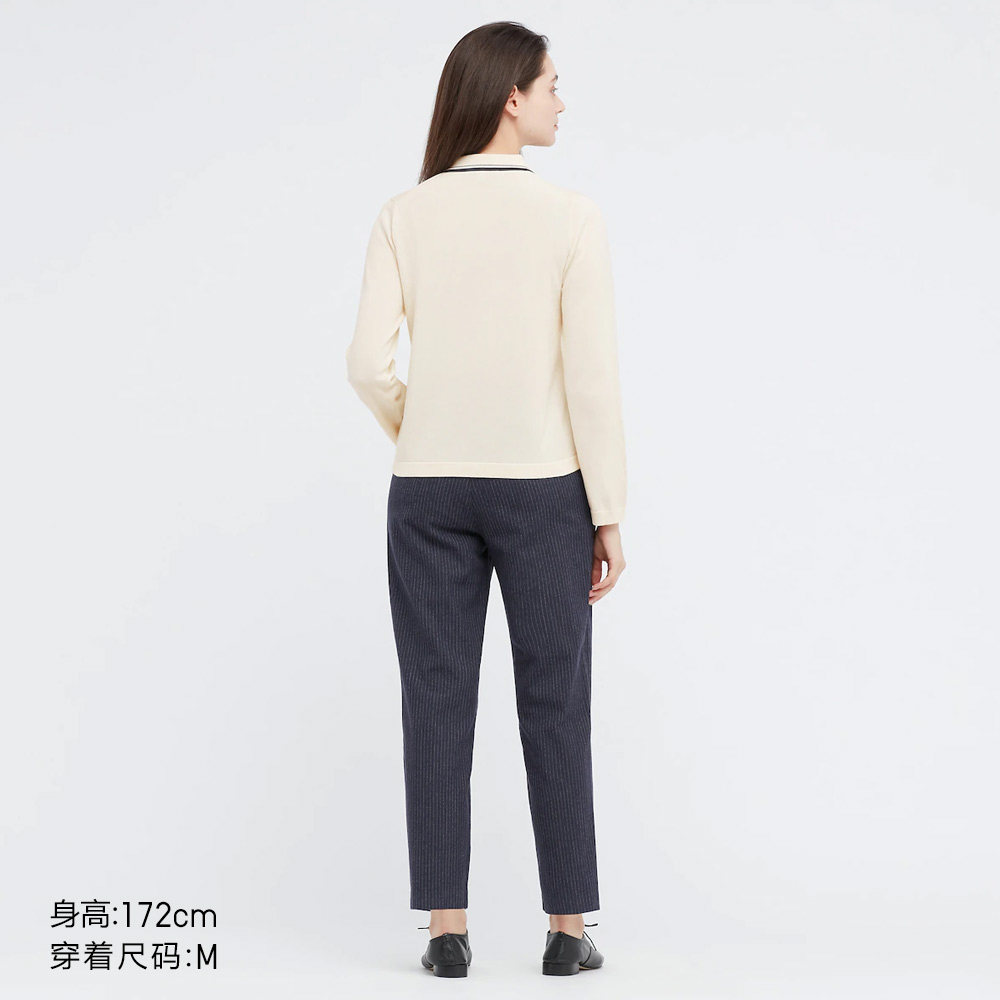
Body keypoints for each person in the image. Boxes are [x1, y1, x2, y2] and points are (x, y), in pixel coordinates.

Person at [345, 20, 626, 978]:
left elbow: (365, 363)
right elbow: (591, 381)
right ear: (511, 96)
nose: (560, 101)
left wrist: (421, 427)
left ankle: (446, 929)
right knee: (555, 701)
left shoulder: (404, 214)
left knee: (434, 699)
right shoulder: (571, 218)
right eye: (552, 85)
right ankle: (567, 928)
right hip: (544, 490)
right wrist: (608, 510)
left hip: (426, 490)